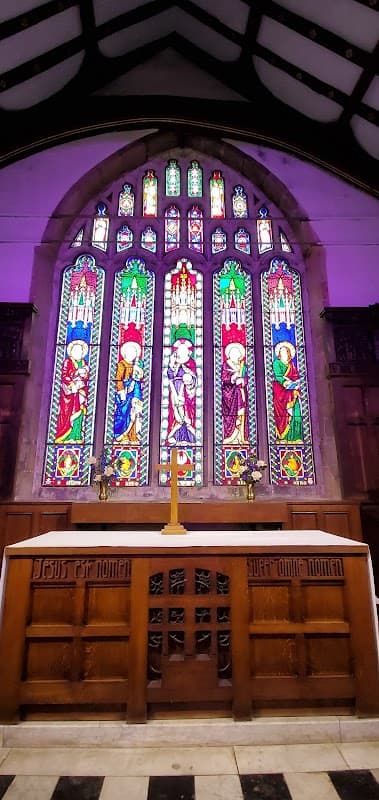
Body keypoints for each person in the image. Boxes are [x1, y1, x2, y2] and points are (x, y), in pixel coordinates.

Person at [55, 340, 89, 444]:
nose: (78, 352)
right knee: (68, 413)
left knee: (80, 412)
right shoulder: (68, 362)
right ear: (71, 351)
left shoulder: (84, 362)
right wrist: (74, 379)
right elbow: (64, 375)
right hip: (69, 393)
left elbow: (87, 376)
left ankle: (76, 435)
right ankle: (67, 436)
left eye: (80, 350)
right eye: (75, 350)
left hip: (81, 391)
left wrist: (85, 374)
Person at [166, 338, 197, 445]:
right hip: (174, 390)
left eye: (183, 350)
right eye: (179, 350)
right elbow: (170, 376)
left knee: (187, 414)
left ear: (188, 351)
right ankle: (174, 436)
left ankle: (190, 437)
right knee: (175, 414)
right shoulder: (175, 363)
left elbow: (194, 378)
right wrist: (171, 364)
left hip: (186, 392)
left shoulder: (191, 363)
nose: (181, 352)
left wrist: (189, 380)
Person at [273, 341, 303, 442]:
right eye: (282, 352)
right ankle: (283, 438)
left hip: (292, 392)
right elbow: (278, 375)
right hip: (281, 393)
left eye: (286, 352)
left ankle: (295, 437)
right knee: (283, 416)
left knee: (296, 414)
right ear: (279, 355)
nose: (284, 354)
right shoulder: (277, 363)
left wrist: (295, 384)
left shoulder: (292, 365)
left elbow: (296, 376)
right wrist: (285, 382)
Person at [114, 341, 144, 444]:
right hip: (125, 394)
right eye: (130, 352)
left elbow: (140, 379)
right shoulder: (121, 365)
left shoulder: (137, 365)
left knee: (135, 412)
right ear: (125, 353)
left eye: (134, 352)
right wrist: (122, 391)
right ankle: (122, 434)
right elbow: (118, 379)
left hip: (135, 392)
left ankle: (133, 434)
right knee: (124, 412)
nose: (132, 354)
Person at [221, 342, 249, 445]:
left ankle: (241, 437)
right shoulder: (226, 364)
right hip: (230, 394)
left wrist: (242, 380)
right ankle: (231, 437)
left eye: (237, 353)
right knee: (231, 415)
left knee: (242, 414)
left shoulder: (243, 366)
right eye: (232, 352)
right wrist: (232, 378)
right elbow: (224, 378)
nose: (234, 354)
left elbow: (247, 378)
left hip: (241, 393)